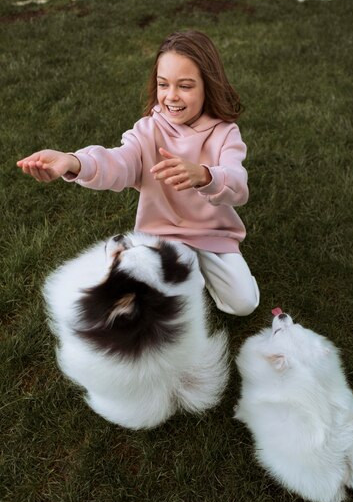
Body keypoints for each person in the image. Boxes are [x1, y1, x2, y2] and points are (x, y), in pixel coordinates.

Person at [17, 30, 259, 316]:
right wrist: (73, 162)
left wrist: (205, 175)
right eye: (163, 84)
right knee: (167, 301)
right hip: (163, 236)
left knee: (244, 304)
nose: (171, 96)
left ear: (208, 85)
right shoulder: (148, 130)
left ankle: (190, 271)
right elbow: (118, 162)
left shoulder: (225, 133)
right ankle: (146, 257)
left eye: (185, 86)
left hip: (213, 236)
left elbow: (238, 187)